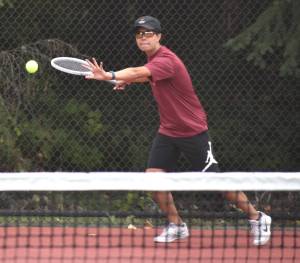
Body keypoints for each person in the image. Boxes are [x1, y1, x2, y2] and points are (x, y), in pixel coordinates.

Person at [84, 15, 272, 245]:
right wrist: (131, 81)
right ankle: (176, 225)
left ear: (159, 36)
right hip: (168, 131)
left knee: (217, 184)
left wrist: (110, 75)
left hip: (193, 132)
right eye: (139, 34)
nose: (143, 38)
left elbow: (138, 71)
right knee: (153, 179)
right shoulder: (154, 62)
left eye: (148, 33)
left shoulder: (167, 60)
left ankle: (257, 217)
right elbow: (147, 76)